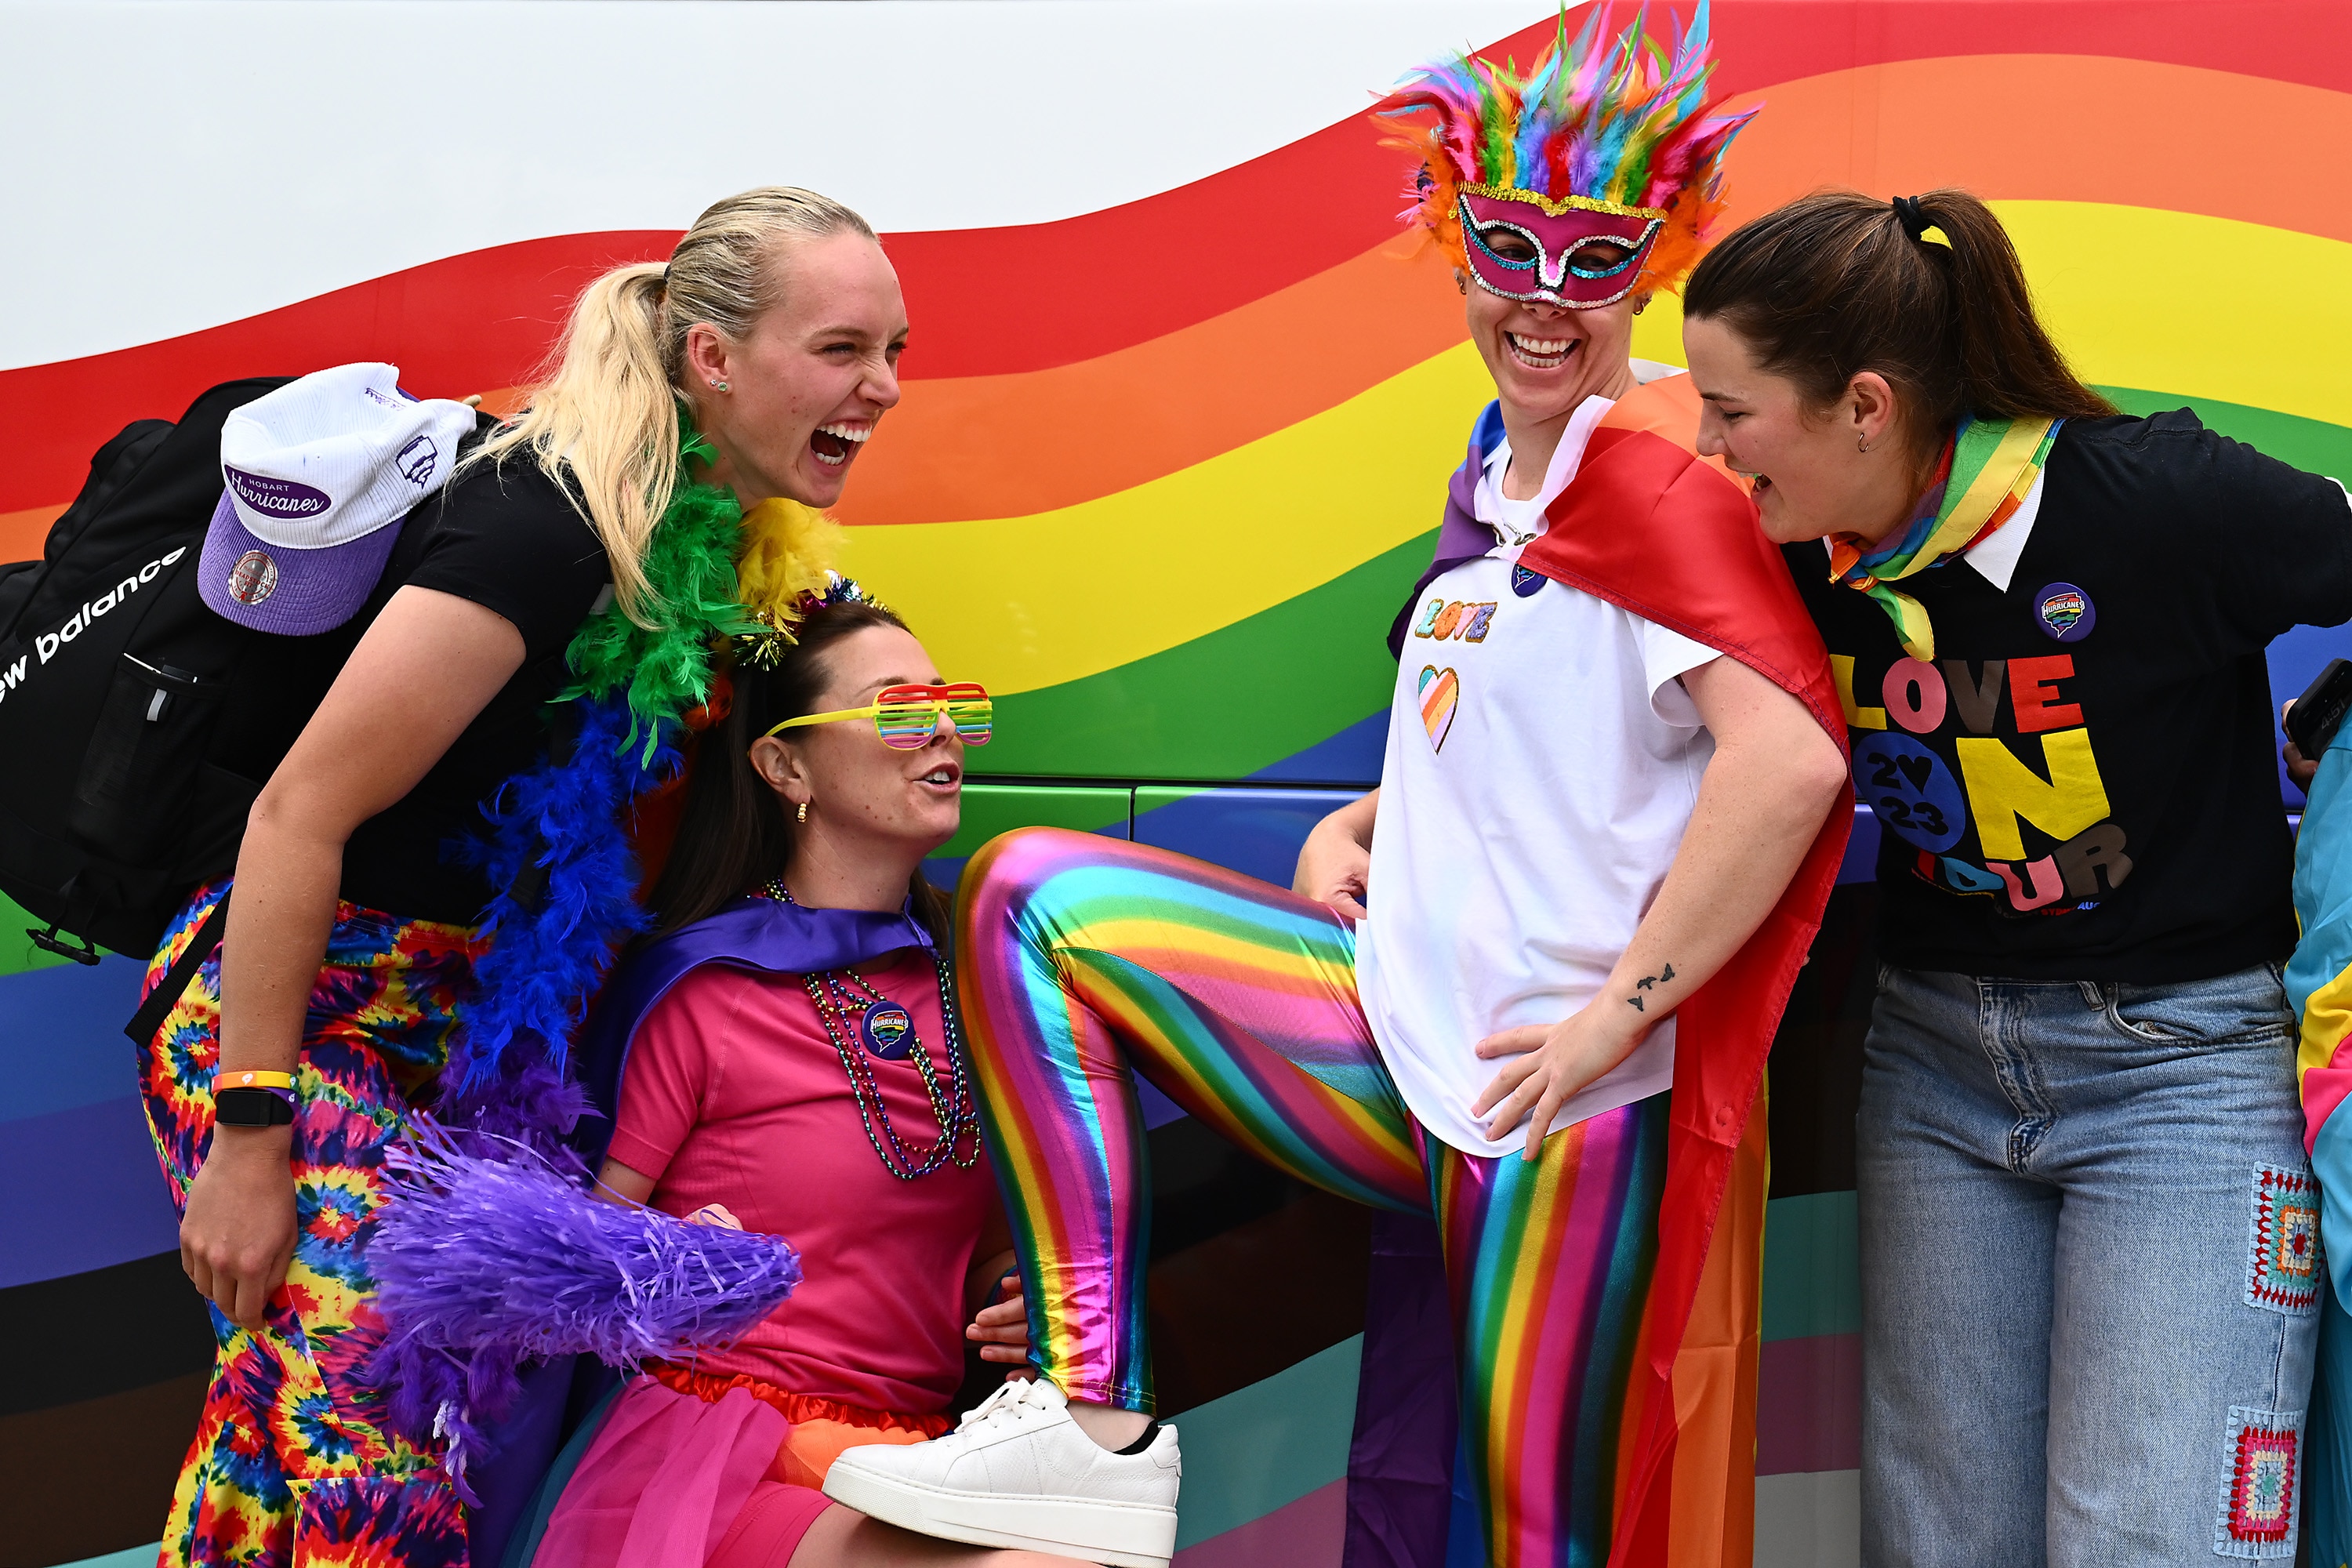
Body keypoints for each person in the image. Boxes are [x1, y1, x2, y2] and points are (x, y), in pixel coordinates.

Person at [818, 9, 1851, 1565]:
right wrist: (1365, 822)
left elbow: (1789, 762)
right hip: (1396, 1029)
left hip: (1549, 1101)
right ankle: (1089, 1418)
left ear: (1651, 270)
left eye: (1594, 258)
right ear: (1456, 248)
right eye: (1511, 247)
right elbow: (1526, 732)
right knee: (1038, 898)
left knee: (1530, 1532)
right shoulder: (1494, 479)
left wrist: (1612, 1019)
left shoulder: (1656, 474)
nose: (1547, 297)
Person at [139, 185, 905, 1566]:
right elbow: (298, 817)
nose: (884, 388)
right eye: (844, 349)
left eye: (895, 351)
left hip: (449, 1035)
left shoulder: (714, 552)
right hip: (297, 1015)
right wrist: (251, 1136)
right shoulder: (543, 526)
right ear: (713, 359)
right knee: (381, 1436)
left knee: (286, 1425)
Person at [1681, 187, 2352, 1563]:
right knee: (1941, 1546)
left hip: (2184, 1076)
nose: (1709, 447)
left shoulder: (2160, 500)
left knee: (2154, 1543)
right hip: (1932, 1066)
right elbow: (1547, 658)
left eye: (1733, 411)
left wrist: (2340, 709)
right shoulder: (1792, 548)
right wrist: (1378, 812)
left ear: (1862, 406)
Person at [516, 597, 1091, 1568]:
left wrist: (1017, 1301)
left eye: (952, 704)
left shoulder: (985, 982)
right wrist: (661, 1263)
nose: (944, 728)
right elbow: (562, 1276)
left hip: (912, 1457)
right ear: (786, 766)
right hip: (725, 1458)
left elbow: (989, 1252)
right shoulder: (703, 986)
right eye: (899, 709)